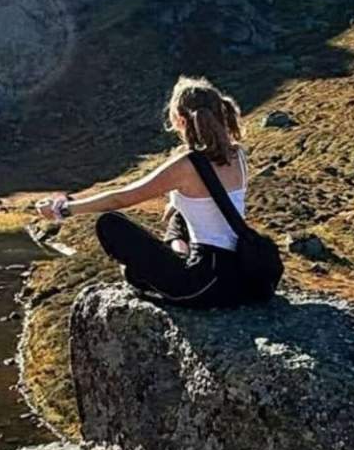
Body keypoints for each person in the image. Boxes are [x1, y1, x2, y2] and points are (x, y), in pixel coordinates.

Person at [34, 76, 261, 307]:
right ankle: (177, 254)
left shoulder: (188, 164)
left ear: (180, 121)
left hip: (203, 284)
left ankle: (162, 273)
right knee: (178, 216)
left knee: (110, 224)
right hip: (242, 274)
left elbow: (122, 197)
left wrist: (63, 209)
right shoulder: (237, 154)